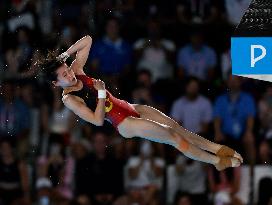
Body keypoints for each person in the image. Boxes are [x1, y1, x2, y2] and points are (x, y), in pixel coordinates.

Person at [38, 35, 243, 171]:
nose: (70, 74)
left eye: (68, 68)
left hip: (129, 107)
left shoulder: (77, 70)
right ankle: (216, 162)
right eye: (64, 75)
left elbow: (88, 40)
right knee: (172, 136)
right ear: (56, 83)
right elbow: (97, 121)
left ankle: (216, 148)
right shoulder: (70, 100)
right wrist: (101, 94)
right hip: (123, 123)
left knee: (176, 127)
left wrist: (64, 55)